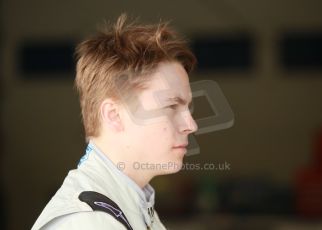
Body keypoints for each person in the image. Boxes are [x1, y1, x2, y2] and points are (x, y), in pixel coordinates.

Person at [32, 13, 198, 230]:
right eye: (171, 106)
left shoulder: (132, 208)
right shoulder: (87, 223)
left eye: (187, 108)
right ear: (114, 115)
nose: (191, 124)